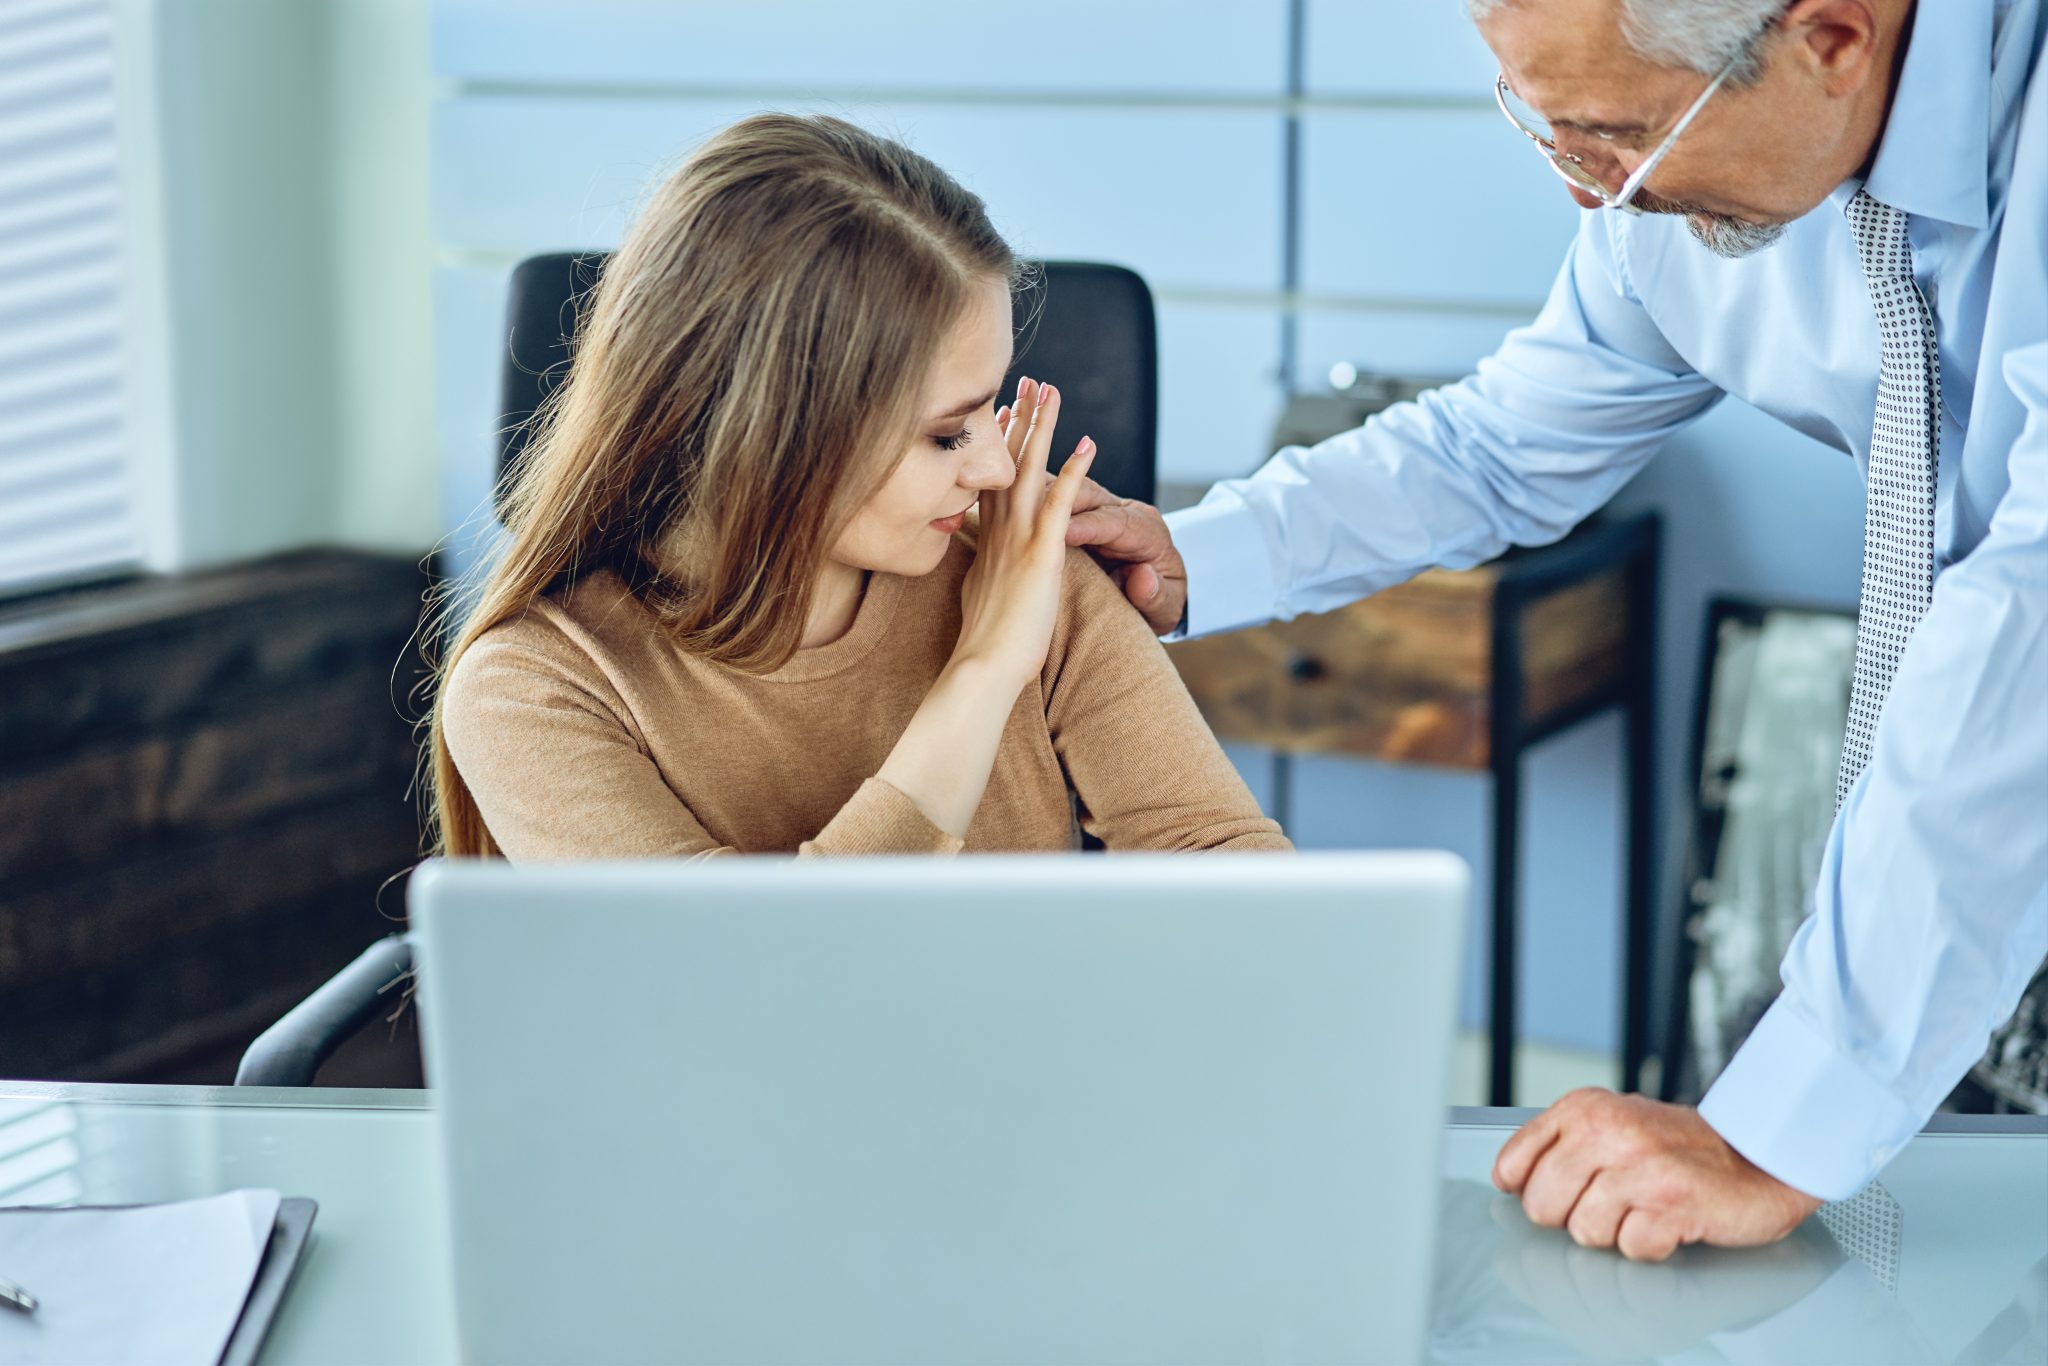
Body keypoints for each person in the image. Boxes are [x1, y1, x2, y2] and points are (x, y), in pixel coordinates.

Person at [1066, 0, 2046, 1260]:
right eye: (1543, 127)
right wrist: (1192, 553)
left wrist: (1777, 1126)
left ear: (1831, 41)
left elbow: (2026, 614)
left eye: (1608, 134)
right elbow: (1499, 442)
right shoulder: (1674, 177)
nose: (1592, 194)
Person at [429, 113, 1289, 861]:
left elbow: (1225, 862)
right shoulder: (536, 688)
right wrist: (984, 671)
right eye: (945, 433)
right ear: (767, 436)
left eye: (990, 408)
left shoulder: (1024, 575)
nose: (994, 469)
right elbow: (746, 988)